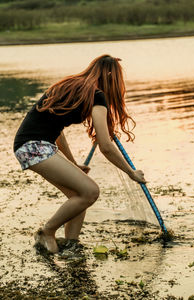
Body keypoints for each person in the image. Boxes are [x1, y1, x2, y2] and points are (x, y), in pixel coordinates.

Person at [13, 54, 146, 254]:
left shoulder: (69, 85)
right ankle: (46, 231)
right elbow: (106, 146)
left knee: (78, 195)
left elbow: (56, 129)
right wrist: (131, 172)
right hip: (34, 147)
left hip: (30, 145)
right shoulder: (97, 95)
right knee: (91, 191)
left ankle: (71, 244)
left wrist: (73, 163)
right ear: (112, 78)